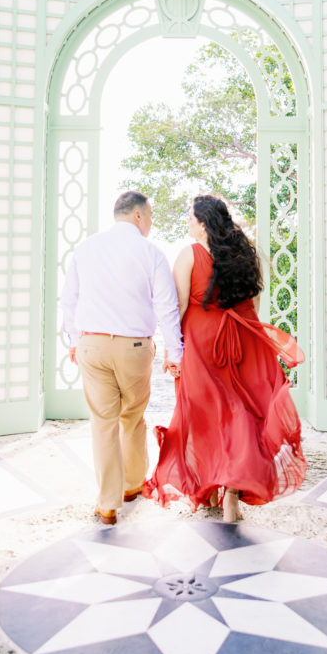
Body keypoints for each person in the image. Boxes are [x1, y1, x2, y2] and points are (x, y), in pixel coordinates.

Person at [144, 194, 307, 523]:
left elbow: (178, 308)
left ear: (203, 225)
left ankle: (213, 487)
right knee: (241, 415)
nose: (188, 223)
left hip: (203, 346)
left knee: (206, 414)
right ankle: (231, 492)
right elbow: (254, 306)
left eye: (191, 218)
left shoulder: (189, 255)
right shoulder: (246, 255)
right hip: (244, 341)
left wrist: (171, 349)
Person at [61, 191, 183, 526]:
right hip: (134, 349)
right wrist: (176, 352)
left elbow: (69, 300)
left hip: (92, 345)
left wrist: (74, 339)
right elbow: (166, 307)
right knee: (132, 416)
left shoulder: (86, 249)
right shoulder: (151, 253)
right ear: (139, 216)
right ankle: (132, 487)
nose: (151, 223)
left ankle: (107, 505)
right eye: (151, 216)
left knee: (103, 423)